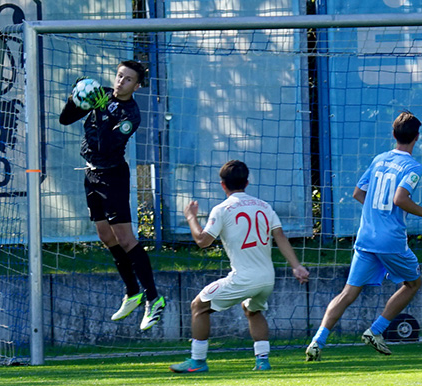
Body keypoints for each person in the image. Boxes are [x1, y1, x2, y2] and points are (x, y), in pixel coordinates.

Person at [305, 111, 422, 361]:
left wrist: (375, 214)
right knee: (413, 284)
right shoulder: (413, 167)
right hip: (390, 240)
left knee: (348, 293)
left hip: (366, 237)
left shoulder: (379, 159)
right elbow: (400, 199)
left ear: (393, 135)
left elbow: (358, 193)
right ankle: (376, 330)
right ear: (417, 138)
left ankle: (317, 341)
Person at [170, 160, 310, 373]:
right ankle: (262, 361)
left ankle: (197, 361)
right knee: (252, 310)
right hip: (267, 278)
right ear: (247, 182)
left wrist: (191, 217)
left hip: (244, 278)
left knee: (198, 306)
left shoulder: (222, 209)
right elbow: (279, 235)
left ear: (222, 185)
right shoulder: (264, 206)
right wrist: (297, 266)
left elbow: (202, 241)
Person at [59, 60, 165, 331]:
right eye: (119, 76)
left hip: (113, 176)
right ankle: (132, 293)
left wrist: (100, 111)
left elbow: (106, 146)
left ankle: (153, 298)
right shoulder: (102, 94)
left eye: (128, 79)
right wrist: (77, 97)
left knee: (126, 238)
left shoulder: (130, 115)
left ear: (137, 86)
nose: (120, 82)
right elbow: (65, 118)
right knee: (105, 236)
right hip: (91, 174)